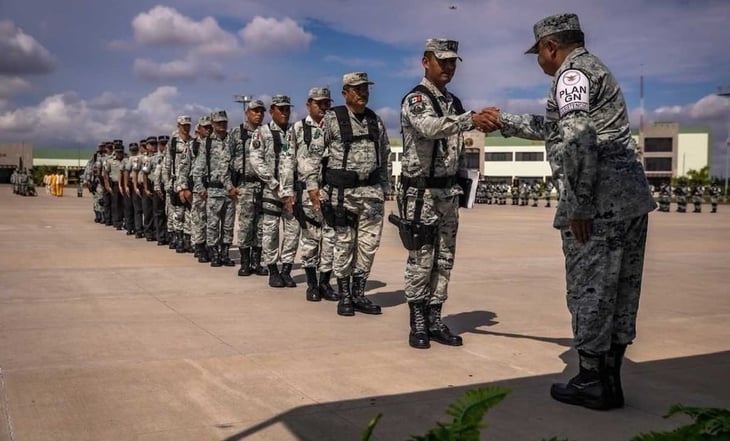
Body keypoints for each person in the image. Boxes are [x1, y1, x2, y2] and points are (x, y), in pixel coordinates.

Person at [482, 13, 657, 410]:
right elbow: (560, 127)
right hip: (628, 199)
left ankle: (591, 380)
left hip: (598, 204)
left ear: (551, 47)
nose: (540, 62)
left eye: (539, 54)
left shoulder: (571, 75)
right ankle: (610, 380)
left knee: (591, 291)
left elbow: (576, 136)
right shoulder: (596, 71)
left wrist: (578, 203)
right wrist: (503, 121)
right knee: (622, 291)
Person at [397, 38, 496, 348]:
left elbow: (458, 132)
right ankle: (418, 323)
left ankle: (435, 318)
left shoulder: (453, 102)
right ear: (426, 61)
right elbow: (429, 127)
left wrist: (487, 121)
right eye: (443, 61)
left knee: (445, 259)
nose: (449, 67)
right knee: (422, 259)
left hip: (448, 193)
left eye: (453, 62)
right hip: (422, 194)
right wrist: (470, 119)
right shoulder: (416, 99)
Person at [299, 72, 391, 316]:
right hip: (343, 195)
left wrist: (386, 188)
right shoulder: (332, 119)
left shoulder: (376, 121)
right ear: (345, 92)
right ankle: (345, 296)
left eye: (365, 89)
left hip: (371, 195)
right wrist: (312, 188)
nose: (362, 93)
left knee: (368, 246)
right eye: (357, 89)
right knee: (344, 245)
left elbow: (385, 156)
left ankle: (359, 294)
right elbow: (314, 156)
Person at [291, 87, 339, 302]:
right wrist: (286, 192)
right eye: (319, 103)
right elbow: (286, 162)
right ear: (309, 104)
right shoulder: (298, 129)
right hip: (307, 192)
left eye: (327, 103)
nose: (323, 107)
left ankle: (325, 283)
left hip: (331, 191)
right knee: (310, 240)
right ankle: (311, 283)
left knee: (330, 240)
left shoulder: (336, 127)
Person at [250, 96, 298, 287]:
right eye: (281, 109)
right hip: (273, 191)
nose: (285, 113)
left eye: (287, 109)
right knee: (270, 232)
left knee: (293, 232)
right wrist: (275, 184)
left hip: (292, 192)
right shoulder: (262, 132)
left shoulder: (295, 131)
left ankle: (286, 269)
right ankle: (273, 270)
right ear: (272, 111)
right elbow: (256, 160)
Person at [192, 110, 236, 267]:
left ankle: (224, 253)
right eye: (218, 123)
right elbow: (198, 169)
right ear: (213, 124)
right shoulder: (206, 143)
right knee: (212, 224)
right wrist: (200, 188)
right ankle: (214, 253)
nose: (222, 125)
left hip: (229, 191)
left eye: (224, 122)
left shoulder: (232, 141)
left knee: (228, 225)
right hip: (213, 190)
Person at [230, 99, 267, 276]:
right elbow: (224, 160)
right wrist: (229, 186)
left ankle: (257, 262)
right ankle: (245, 263)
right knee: (245, 225)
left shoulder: (266, 132)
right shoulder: (237, 133)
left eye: (261, 111)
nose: (258, 114)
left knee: (261, 226)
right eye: (255, 111)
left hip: (263, 185)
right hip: (244, 185)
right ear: (247, 113)